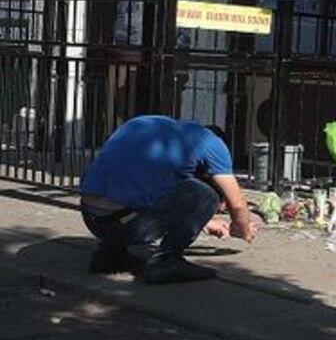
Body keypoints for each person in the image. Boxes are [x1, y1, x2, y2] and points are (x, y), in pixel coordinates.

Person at [79, 115, 257, 284]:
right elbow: (237, 204)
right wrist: (242, 227)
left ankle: (110, 254)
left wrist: (204, 222)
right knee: (205, 194)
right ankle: (166, 261)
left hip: (93, 218)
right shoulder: (212, 144)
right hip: (129, 226)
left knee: (126, 183)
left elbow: (146, 186)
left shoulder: (145, 124)